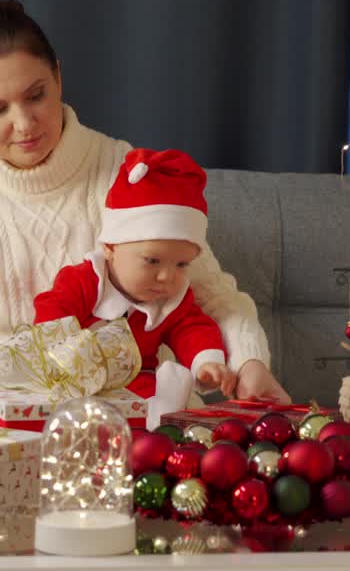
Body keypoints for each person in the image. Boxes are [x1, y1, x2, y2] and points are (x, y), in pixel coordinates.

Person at [0, 0, 290, 403]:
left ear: (58, 76)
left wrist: (249, 364)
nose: (23, 124)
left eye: (36, 95)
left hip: (137, 421)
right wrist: (47, 359)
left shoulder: (128, 171)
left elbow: (214, 298)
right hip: (12, 432)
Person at [32, 147, 237, 400]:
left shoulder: (173, 300)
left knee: (164, 404)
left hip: (136, 381)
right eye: (152, 261)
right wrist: (58, 355)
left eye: (181, 265)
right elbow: (52, 312)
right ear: (109, 247)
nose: (166, 277)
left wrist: (206, 362)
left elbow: (192, 329)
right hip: (73, 377)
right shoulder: (84, 281)